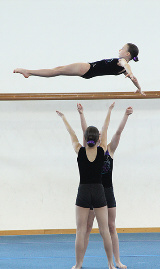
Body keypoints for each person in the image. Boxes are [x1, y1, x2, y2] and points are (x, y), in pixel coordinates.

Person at [56, 103, 116, 269]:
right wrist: (109, 110)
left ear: (85, 138)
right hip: (98, 191)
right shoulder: (102, 149)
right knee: (104, 231)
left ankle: (78, 264)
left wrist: (64, 118)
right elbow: (106, 127)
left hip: (83, 191)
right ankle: (111, 264)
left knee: (81, 231)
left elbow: (72, 133)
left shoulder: (79, 150)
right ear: (98, 139)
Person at [77, 103, 133, 269]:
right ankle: (80, 262)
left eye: (102, 133)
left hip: (106, 191)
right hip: (93, 190)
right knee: (87, 227)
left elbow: (118, 132)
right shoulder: (88, 149)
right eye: (97, 133)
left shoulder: (109, 150)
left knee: (111, 226)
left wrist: (126, 115)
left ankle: (116, 261)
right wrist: (81, 113)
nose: (100, 134)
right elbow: (84, 131)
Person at [13, 43, 144, 94]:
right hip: (88, 74)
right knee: (57, 70)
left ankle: (28, 71)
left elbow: (125, 64)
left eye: (122, 48)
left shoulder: (121, 62)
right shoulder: (124, 70)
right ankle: (29, 72)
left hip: (87, 67)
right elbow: (134, 79)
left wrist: (131, 72)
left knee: (57, 70)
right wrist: (139, 88)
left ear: (127, 54)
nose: (119, 49)